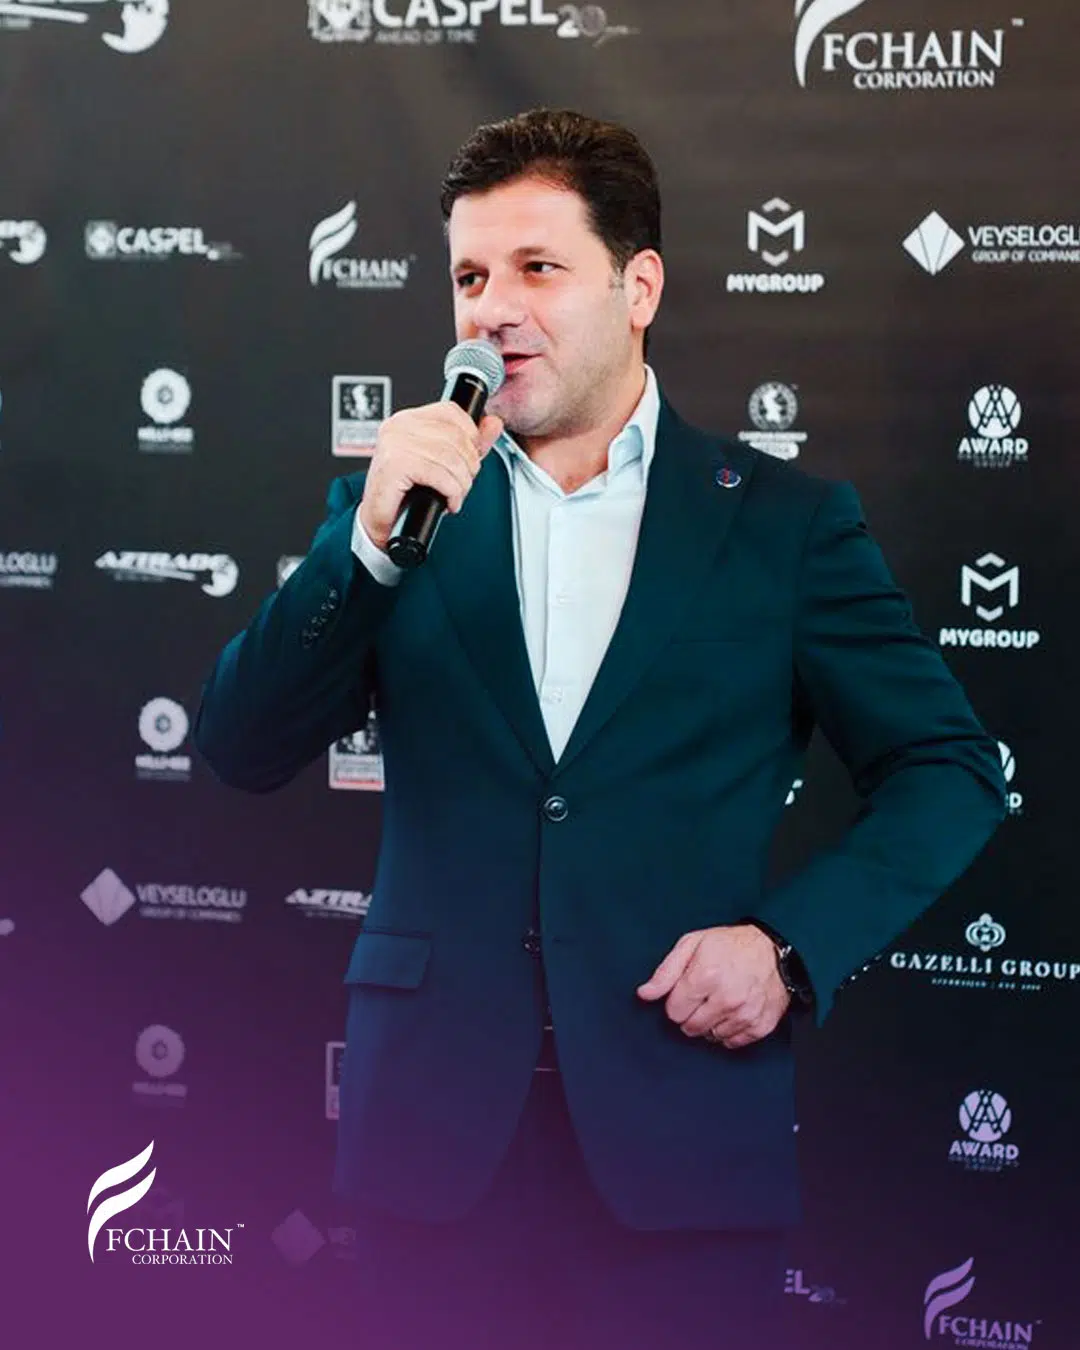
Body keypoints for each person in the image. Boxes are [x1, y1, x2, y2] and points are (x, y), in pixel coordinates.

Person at [194, 108, 1007, 1348]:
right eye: (471, 277)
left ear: (640, 289)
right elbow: (238, 747)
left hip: (683, 1143)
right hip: (430, 1151)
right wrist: (364, 549)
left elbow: (949, 769)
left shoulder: (781, 526)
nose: (493, 311)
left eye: (538, 268)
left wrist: (790, 950)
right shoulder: (398, 510)